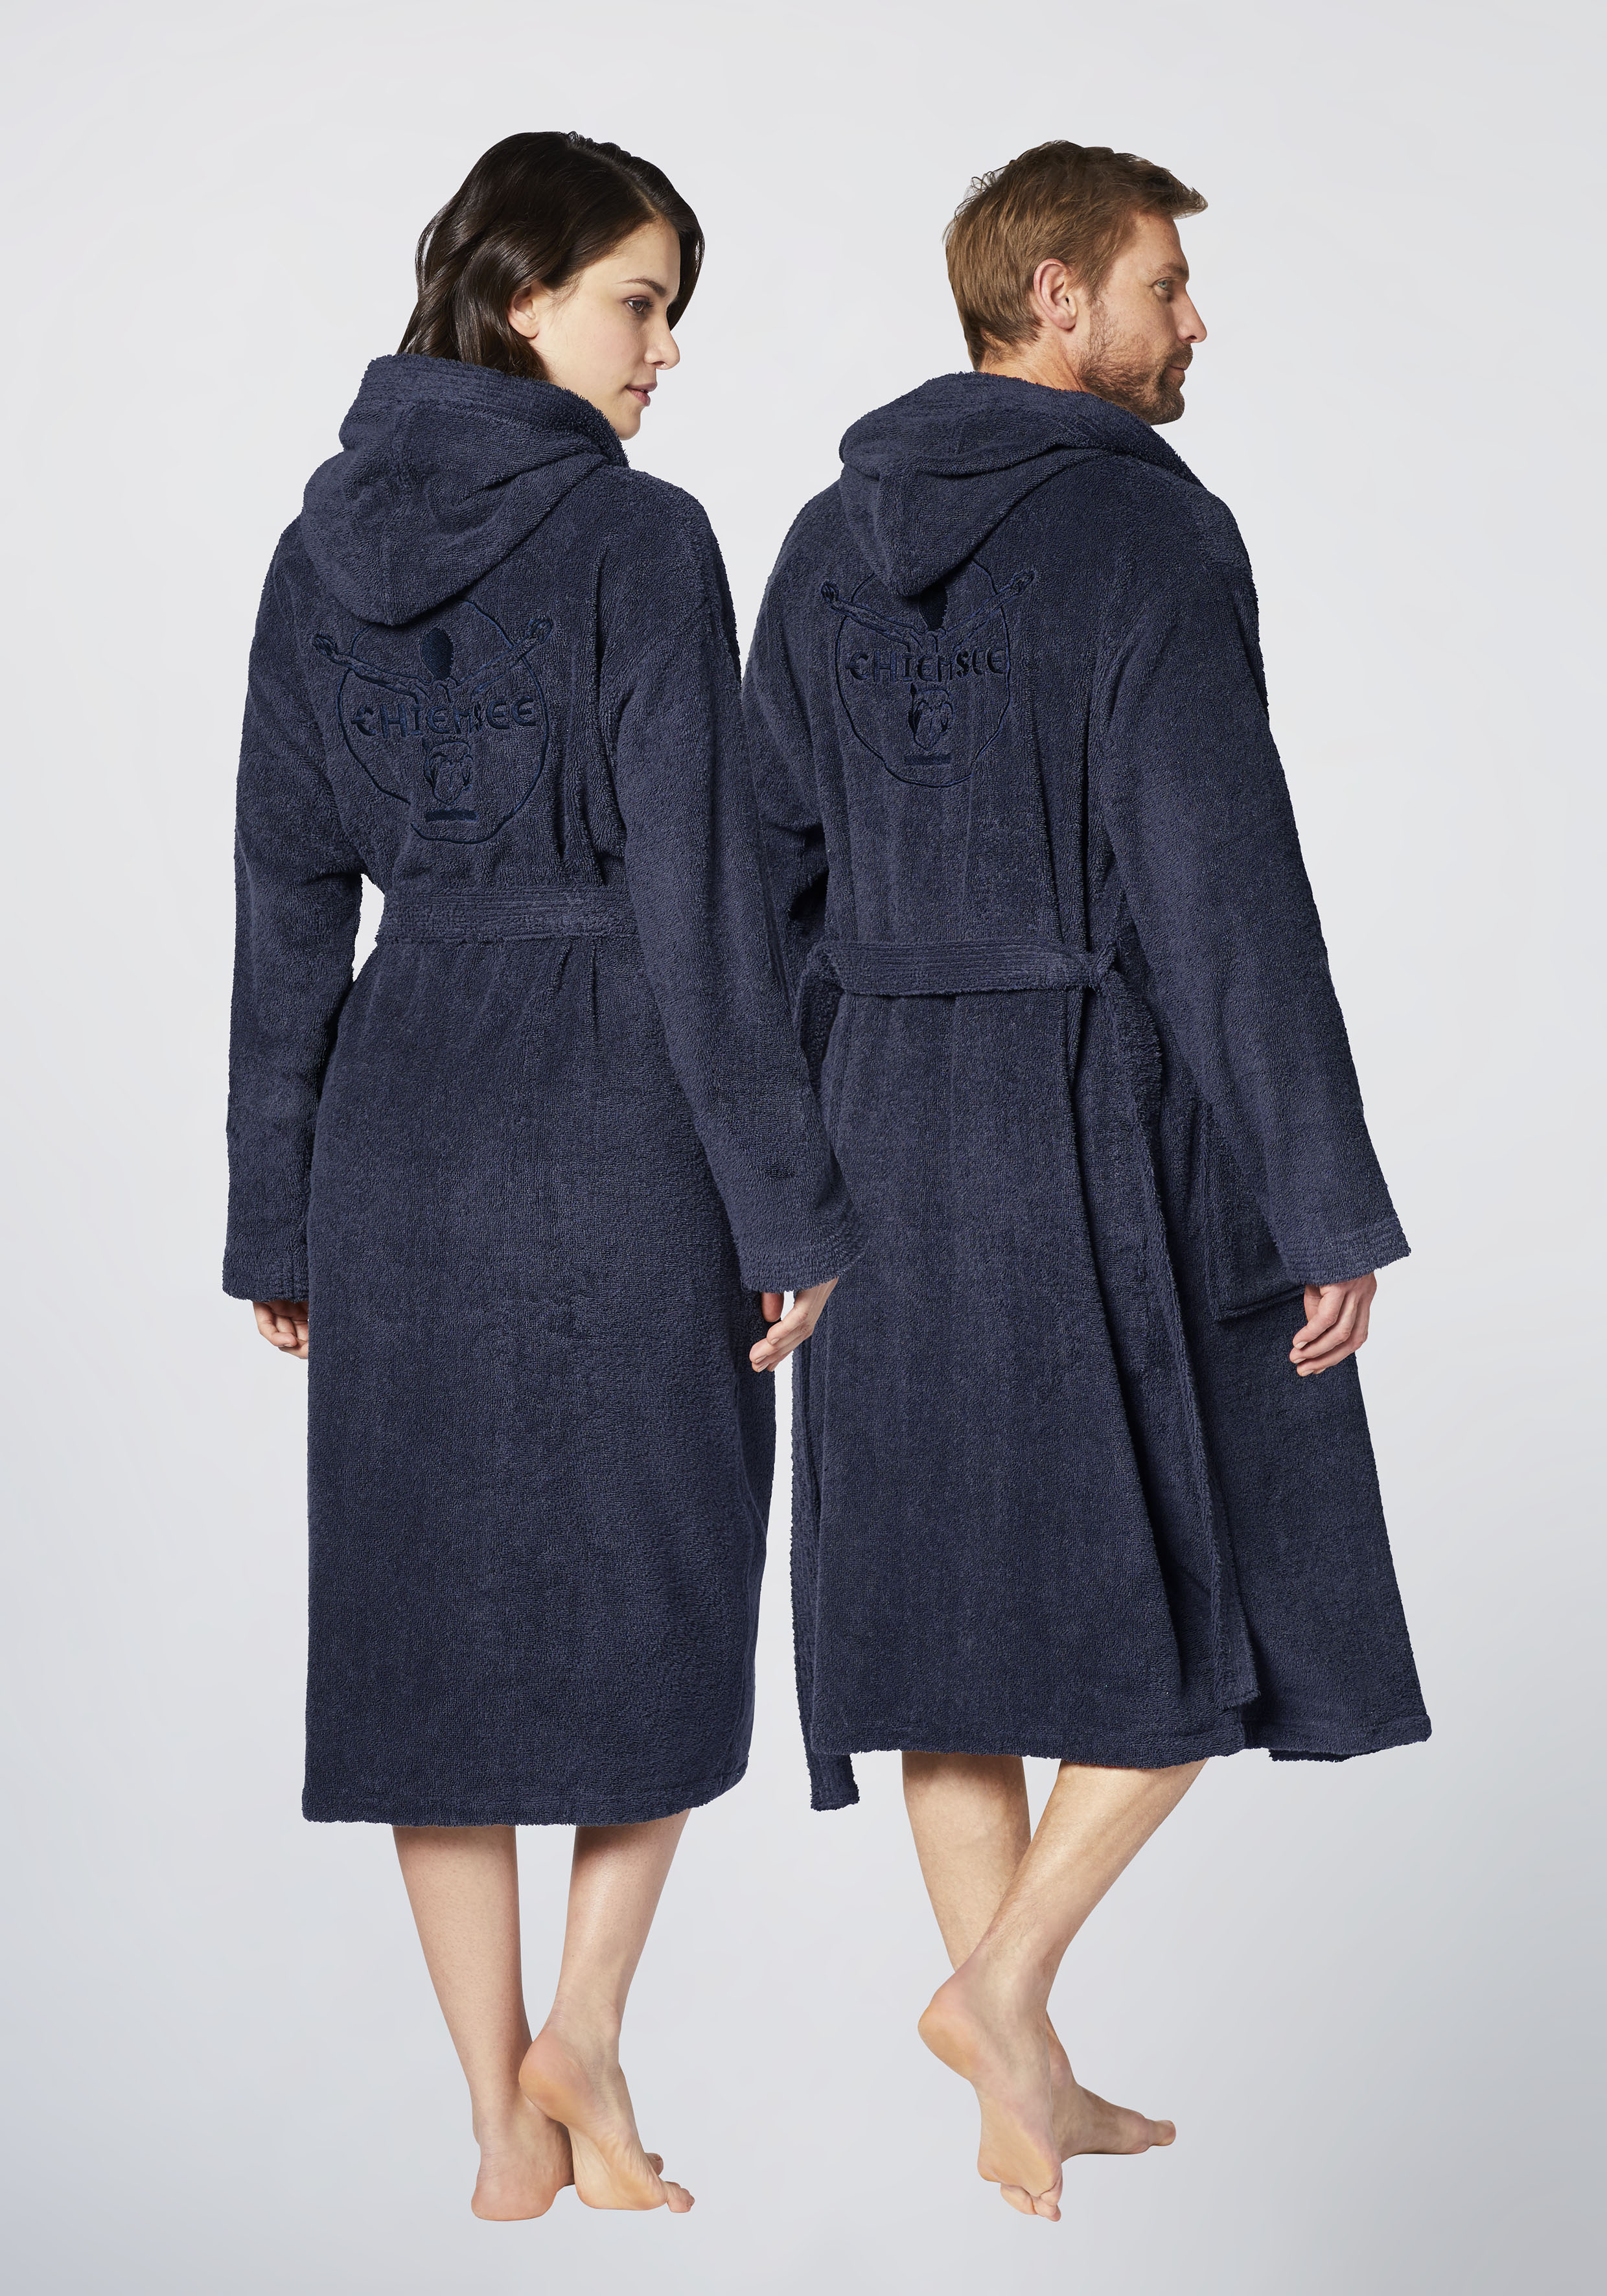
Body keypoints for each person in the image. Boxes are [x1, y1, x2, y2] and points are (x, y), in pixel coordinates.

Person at [741, 140, 1429, 2221]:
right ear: (1057, 296)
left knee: (942, 1618)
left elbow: (765, 875)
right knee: (1227, 1582)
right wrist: (1322, 1199)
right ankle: (1001, 1994)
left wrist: (778, 1178)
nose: (1192, 320)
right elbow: (1226, 890)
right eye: (1164, 284)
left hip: (877, 1124)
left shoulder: (822, 539)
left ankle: (1010, 2079)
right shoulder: (1148, 533)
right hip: (1097, 1119)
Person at [224, 131, 859, 2222]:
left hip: (402, 1117)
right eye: (641, 303)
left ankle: (499, 2113)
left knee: (426, 1612)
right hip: (616, 1111)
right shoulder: (641, 539)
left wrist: (276, 1207)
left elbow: (288, 898)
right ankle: (581, 2031)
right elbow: (702, 899)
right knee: (660, 1563)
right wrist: (788, 1200)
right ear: (522, 298)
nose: (666, 351)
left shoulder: (315, 549)